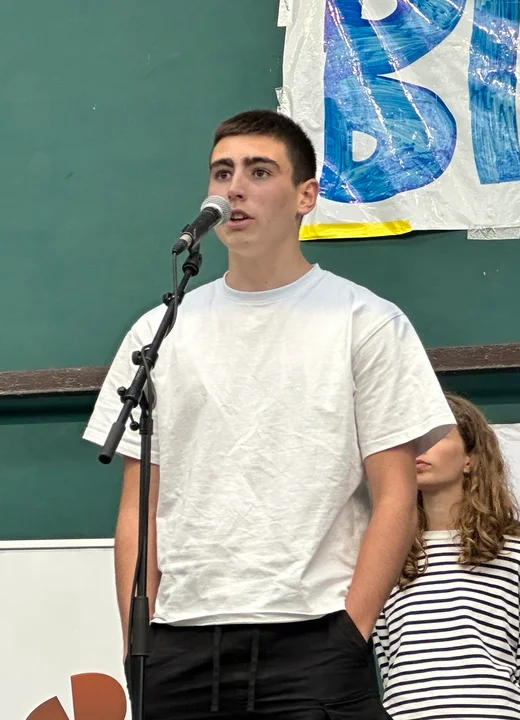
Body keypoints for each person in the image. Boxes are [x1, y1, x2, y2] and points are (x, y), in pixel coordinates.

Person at [82, 109, 456, 719]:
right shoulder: (159, 331)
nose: (235, 189)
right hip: (177, 641)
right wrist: (135, 642)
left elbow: (396, 495)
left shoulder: (365, 321)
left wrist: (353, 630)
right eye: (222, 172)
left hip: (315, 635)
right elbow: (138, 505)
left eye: (259, 172)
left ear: (306, 195)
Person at [373, 394, 520, 720]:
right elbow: (386, 661)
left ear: (469, 458)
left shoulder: (517, 551)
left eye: (435, 436)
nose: (419, 448)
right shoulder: (386, 552)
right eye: (411, 438)